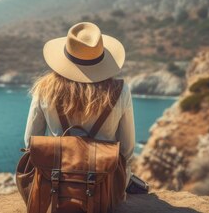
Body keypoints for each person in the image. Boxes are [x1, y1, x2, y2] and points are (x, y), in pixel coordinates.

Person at [23, 21, 135, 186]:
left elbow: (30, 141)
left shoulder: (44, 89)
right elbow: (127, 148)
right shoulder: (120, 91)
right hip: (103, 184)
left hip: (55, 183)